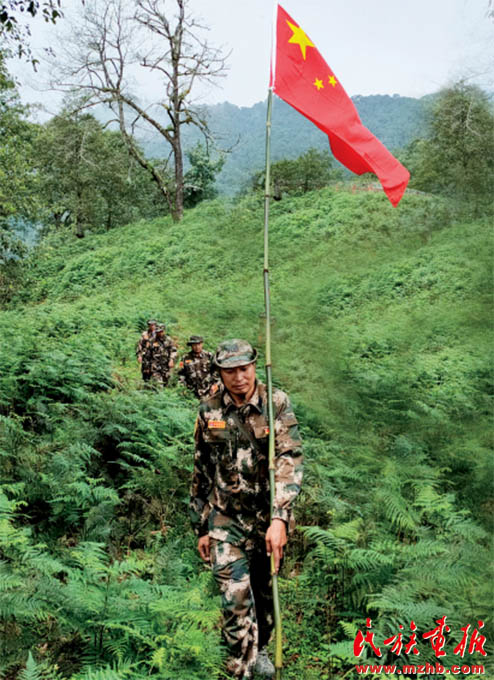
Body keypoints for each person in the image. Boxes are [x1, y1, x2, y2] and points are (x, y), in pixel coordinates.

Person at [189, 339, 303, 679]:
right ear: (220, 374)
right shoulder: (209, 410)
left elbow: (289, 458)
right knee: (235, 598)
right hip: (226, 520)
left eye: (244, 368)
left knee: (263, 596)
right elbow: (201, 468)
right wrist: (201, 526)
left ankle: (260, 647)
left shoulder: (275, 403)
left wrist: (280, 518)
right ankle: (242, 667)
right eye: (230, 371)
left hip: (268, 520)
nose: (239, 377)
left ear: (254, 367)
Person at [177, 335, 219, 399]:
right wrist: (182, 388)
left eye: (198, 344)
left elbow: (216, 372)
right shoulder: (185, 358)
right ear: (191, 346)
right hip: (191, 392)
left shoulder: (209, 356)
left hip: (208, 391)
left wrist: (215, 386)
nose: (197, 347)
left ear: (202, 344)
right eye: (194, 345)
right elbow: (181, 373)